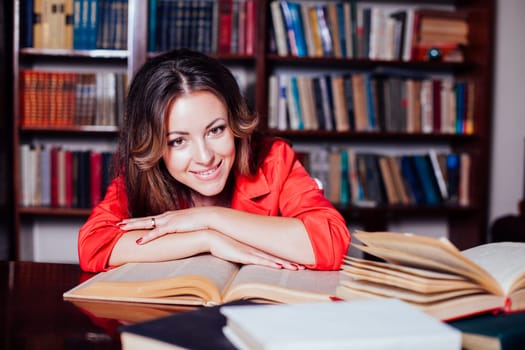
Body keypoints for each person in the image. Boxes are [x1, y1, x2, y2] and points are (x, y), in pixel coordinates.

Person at [78, 49, 350, 273]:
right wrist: (206, 239)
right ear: (154, 146)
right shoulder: (144, 174)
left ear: (234, 121)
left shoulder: (273, 159)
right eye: (178, 141)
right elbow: (93, 246)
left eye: (216, 130)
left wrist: (209, 218)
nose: (205, 157)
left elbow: (331, 242)